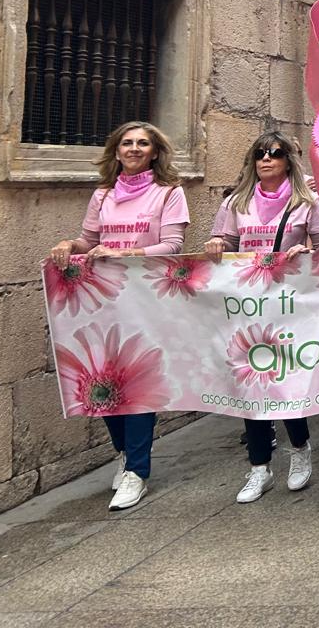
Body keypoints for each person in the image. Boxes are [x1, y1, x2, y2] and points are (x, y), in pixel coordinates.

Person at [49, 122, 189, 512]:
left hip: (146, 299)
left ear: (155, 152)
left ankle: (137, 473)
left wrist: (126, 254)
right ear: (116, 151)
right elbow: (89, 242)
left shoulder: (169, 193)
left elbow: (173, 245)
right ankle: (125, 454)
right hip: (103, 300)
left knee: (139, 383)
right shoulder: (102, 195)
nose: (134, 149)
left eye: (142, 144)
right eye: (127, 143)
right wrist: (67, 244)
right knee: (104, 379)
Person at [205, 132, 319, 503]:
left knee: (284, 379)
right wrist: (216, 245)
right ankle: (258, 467)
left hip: (289, 305)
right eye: (260, 153)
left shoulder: (306, 203)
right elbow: (223, 245)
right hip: (247, 306)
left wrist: (306, 248)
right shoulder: (235, 202)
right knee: (250, 382)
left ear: (288, 161)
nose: (267, 159)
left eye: (275, 154)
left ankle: (299, 449)